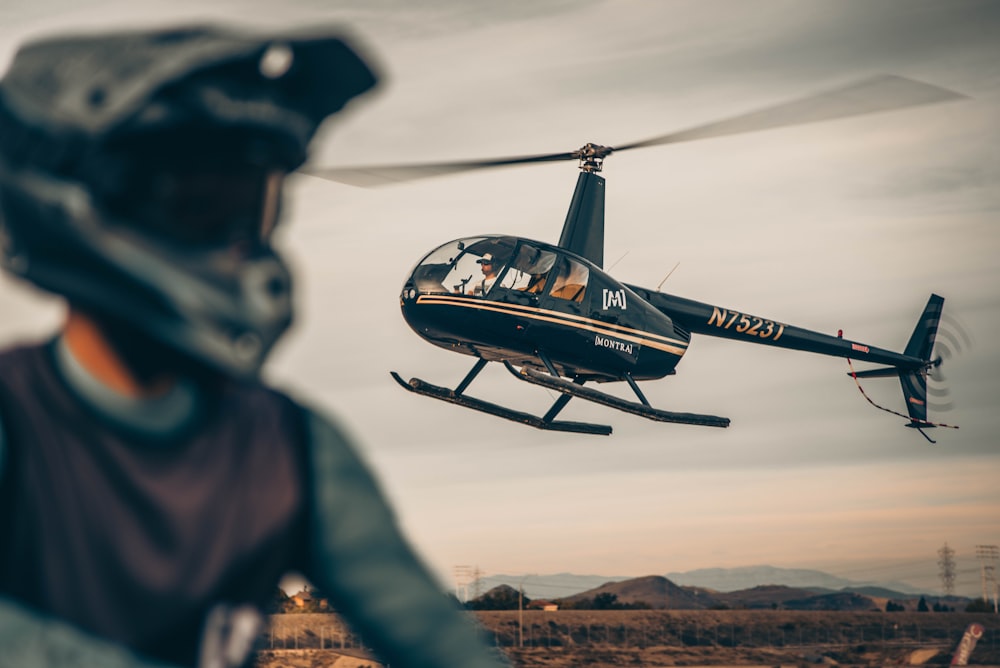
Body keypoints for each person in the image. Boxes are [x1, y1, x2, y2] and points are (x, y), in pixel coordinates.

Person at [0, 24, 508, 668]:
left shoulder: (293, 450)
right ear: (74, 202)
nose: (244, 246)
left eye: (257, 207)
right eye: (202, 203)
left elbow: (434, 640)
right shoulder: (16, 419)